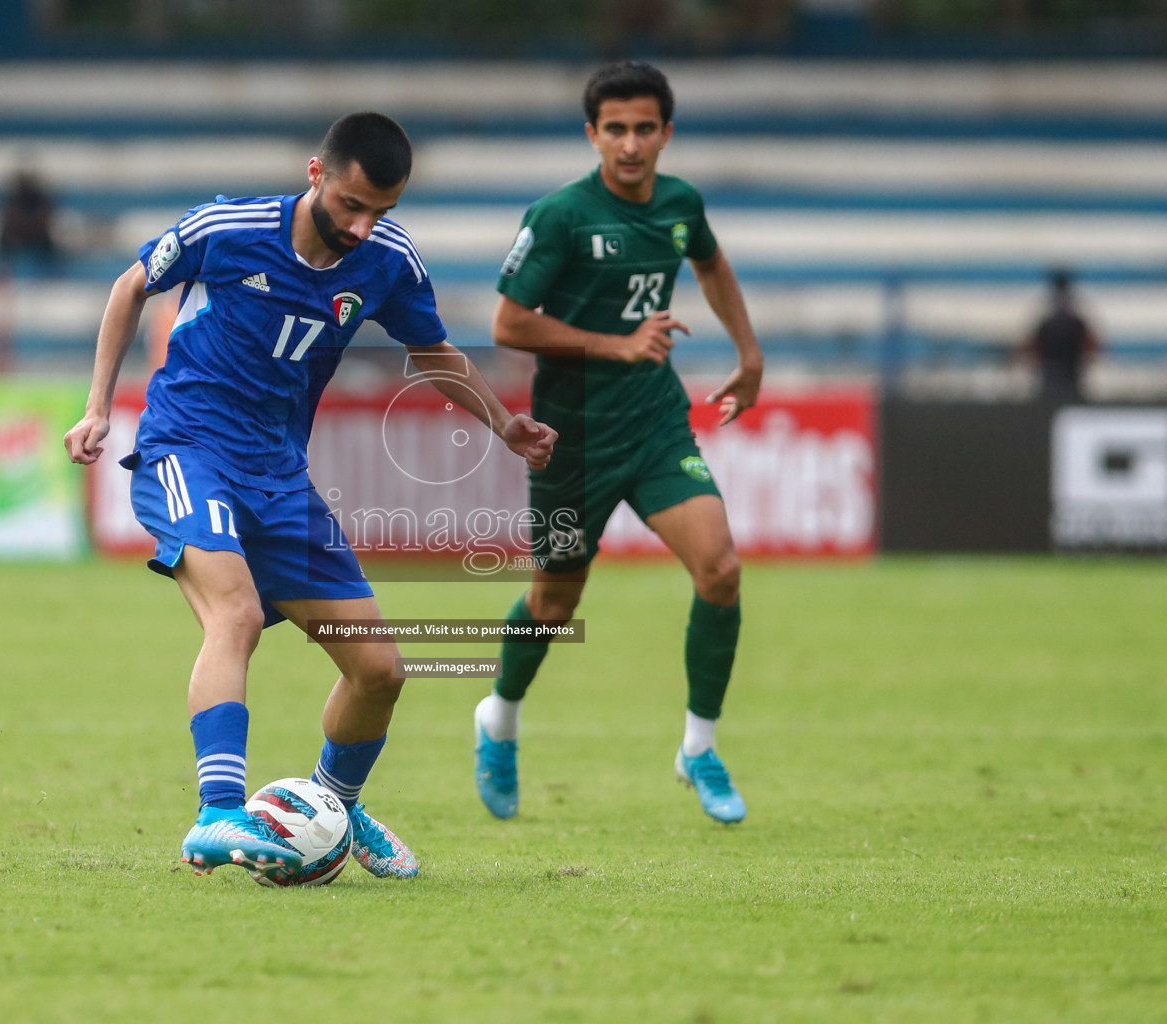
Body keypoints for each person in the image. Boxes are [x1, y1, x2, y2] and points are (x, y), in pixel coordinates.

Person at [63, 113, 557, 883]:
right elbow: (132, 285)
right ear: (315, 174)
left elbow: (431, 349)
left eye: (382, 212)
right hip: (187, 448)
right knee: (238, 613)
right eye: (353, 205)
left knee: (381, 672)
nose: (363, 228)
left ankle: (333, 805)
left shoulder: (386, 261)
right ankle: (216, 813)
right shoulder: (230, 228)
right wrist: (98, 405)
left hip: (279, 475)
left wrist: (502, 424)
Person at [472, 61, 763, 825]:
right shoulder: (561, 215)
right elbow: (508, 324)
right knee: (554, 602)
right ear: (592, 134)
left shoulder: (680, 202)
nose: (630, 144)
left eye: (644, 128)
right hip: (572, 438)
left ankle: (699, 747)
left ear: (666, 132)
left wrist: (750, 355)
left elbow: (711, 261)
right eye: (615, 129)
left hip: (656, 424)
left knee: (722, 570)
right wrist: (618, 343)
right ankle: (498, 719)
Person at [1027, 269, 1100, 403]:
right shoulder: (1047, 324)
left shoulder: (1073, 323)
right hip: (1052, 379)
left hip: (1069, 379)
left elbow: (1091, 349)